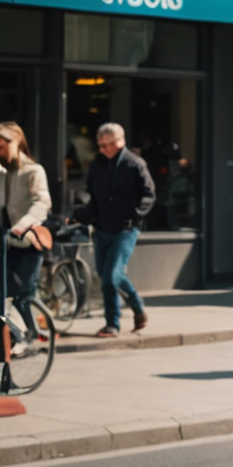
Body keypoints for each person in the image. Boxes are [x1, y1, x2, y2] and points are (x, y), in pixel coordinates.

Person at [74, 123, 154, 338]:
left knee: (111, 278)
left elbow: (148, 194)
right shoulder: (97, 166)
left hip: (125, 230)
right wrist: (83, 215)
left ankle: (112, 324)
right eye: (102, 145)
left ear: (121, 141)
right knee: (108, 275)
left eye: (110, 144)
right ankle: (138, 307)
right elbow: (93, 197)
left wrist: (135, 215)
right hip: (102, 228)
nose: (106, 149)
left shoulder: (134, 163)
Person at [0, 122, 52, 304]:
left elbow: (42, 202)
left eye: (1, 147)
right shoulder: (0, 173)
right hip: (3, 243)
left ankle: (31, 330)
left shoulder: (33, 171)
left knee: (23, 295)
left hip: (26, 241)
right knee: (2, 294)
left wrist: (24, 224)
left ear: (15, 144)